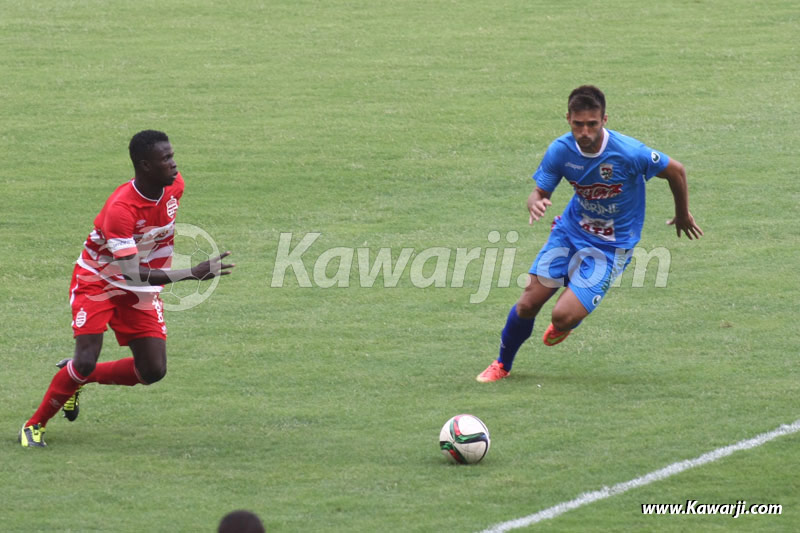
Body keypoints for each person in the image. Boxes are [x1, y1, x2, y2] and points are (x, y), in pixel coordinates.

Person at [19, 130, 235, 447]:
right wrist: (192, 273)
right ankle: (33, 425)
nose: (175, 164)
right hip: (99, 281)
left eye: (173, 156)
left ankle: (76, 377)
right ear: (145, 165)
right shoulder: (121, 210)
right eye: (166, 159)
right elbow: (131, 274)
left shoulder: (175, 187)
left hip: (139, 288)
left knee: (152, 370)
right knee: (86, 357)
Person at [477, 85, 703, 382]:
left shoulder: (629, 153)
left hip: (611, 249)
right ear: (568, 118)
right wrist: (536, 202)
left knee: (562, 316)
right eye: (578, 124)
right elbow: (538, 192)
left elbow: (676, 170)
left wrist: (683, 213)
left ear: (604, 120)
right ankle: (502, 364)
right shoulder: (560, 150)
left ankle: (570, 314)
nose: (585, 131)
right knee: (528, 303)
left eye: (592, 124)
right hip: (569, 234)